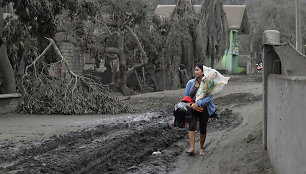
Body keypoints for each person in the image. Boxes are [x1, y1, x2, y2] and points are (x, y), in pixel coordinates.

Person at [184, 63, 216, 156]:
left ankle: (201, 148)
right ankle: (192, 148)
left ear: (203, 72)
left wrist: (198, 103)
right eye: (195, 70)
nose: (195, 72)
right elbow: (186, 97)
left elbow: (209, 98)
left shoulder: (209, 83)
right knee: (191, 126)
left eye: (197, 70)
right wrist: (190, 104)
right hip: (192, 108)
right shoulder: (190, 83)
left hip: (204, 109)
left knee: (203, 128)